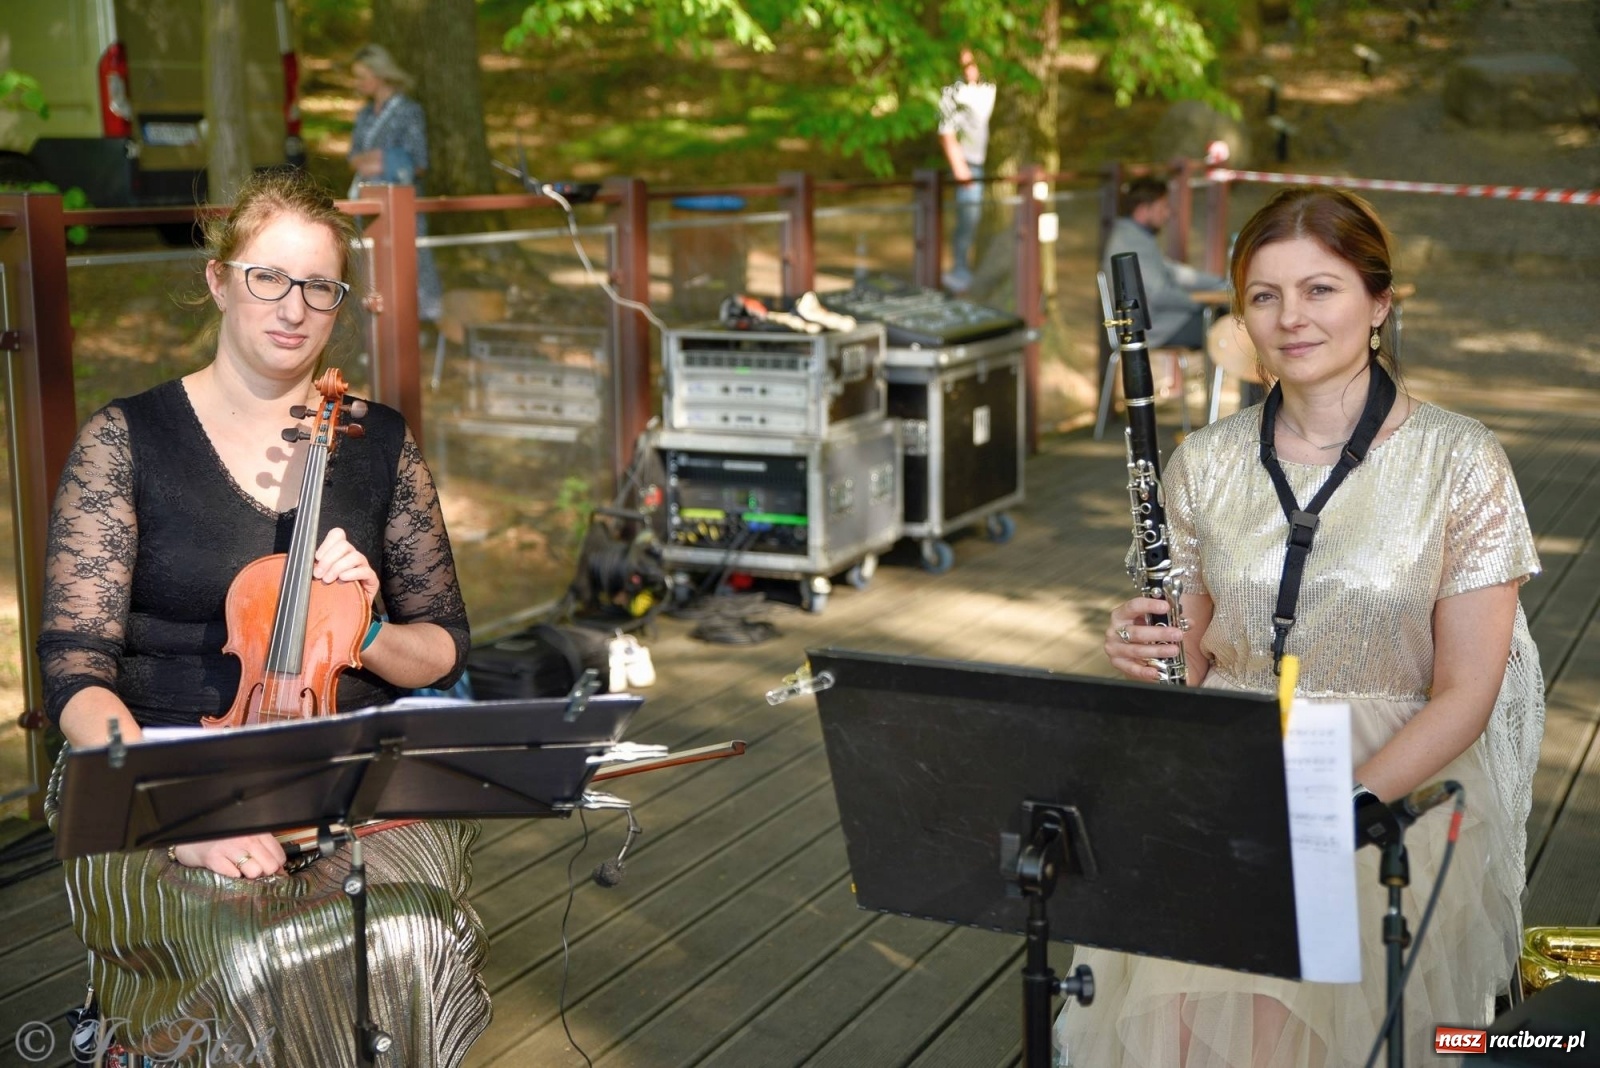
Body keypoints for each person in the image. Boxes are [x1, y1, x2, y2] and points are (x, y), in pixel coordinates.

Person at [1060, 186, 1544, 1066]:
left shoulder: (1462, 461)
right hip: (1231, 776)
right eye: (1264, 295)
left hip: (1390, 787)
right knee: (1179, 1028)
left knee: (1298, 1034)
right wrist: (1145, 646)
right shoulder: (1202, 462)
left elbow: (1469, 690)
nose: (1292, 318)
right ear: (1242, 314)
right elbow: (1195, 665)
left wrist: (1339, 808)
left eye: (1321, 289)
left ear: (1379, 305)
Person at [37, 169, 488, 1066]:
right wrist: (186, 812)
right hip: (155, 772)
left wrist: (362, 632)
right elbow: (75, 673)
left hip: (341, 774)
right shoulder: (127, 439)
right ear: (218, 280)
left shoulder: (379, 444)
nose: (294, 308)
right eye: (268, 278)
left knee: (405, 934)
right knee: (256, 953)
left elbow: (440, 648)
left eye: (320, 287)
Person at [349, 43, 443, 323]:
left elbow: (418, 162)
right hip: (367, 202)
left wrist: (379, 159)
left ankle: (421, 324)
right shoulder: (365, 114)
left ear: (380, 75)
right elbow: (354, 158)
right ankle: (377, 324)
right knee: (372, 263)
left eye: (362, 76)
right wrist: (382, 159)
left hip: (400, 203)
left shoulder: (408, 111)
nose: (358, 83)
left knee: (409, 263)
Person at [1103, 176, 1226, 351]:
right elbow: (1159, 294)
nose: (1167, 214)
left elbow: (1174, 272)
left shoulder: (1135, 237)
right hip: (1156, 328)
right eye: (1163, 207)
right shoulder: (1132, 243)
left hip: (1160, 322)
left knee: (1230, 322)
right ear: (1143, 209)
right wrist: (1197, 302)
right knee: (1233, 328)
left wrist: (1217, 282)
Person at [937, 47, 996, 295]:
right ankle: (959, 270)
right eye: (964, 65)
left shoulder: (988, 88)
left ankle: (968, 269)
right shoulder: (951, 93)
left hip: (981, 163)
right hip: (966, 165)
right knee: (967, 219)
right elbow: (946, 133)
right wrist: (960, 169)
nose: (968, 69)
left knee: (975, 218)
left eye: (972, 63)